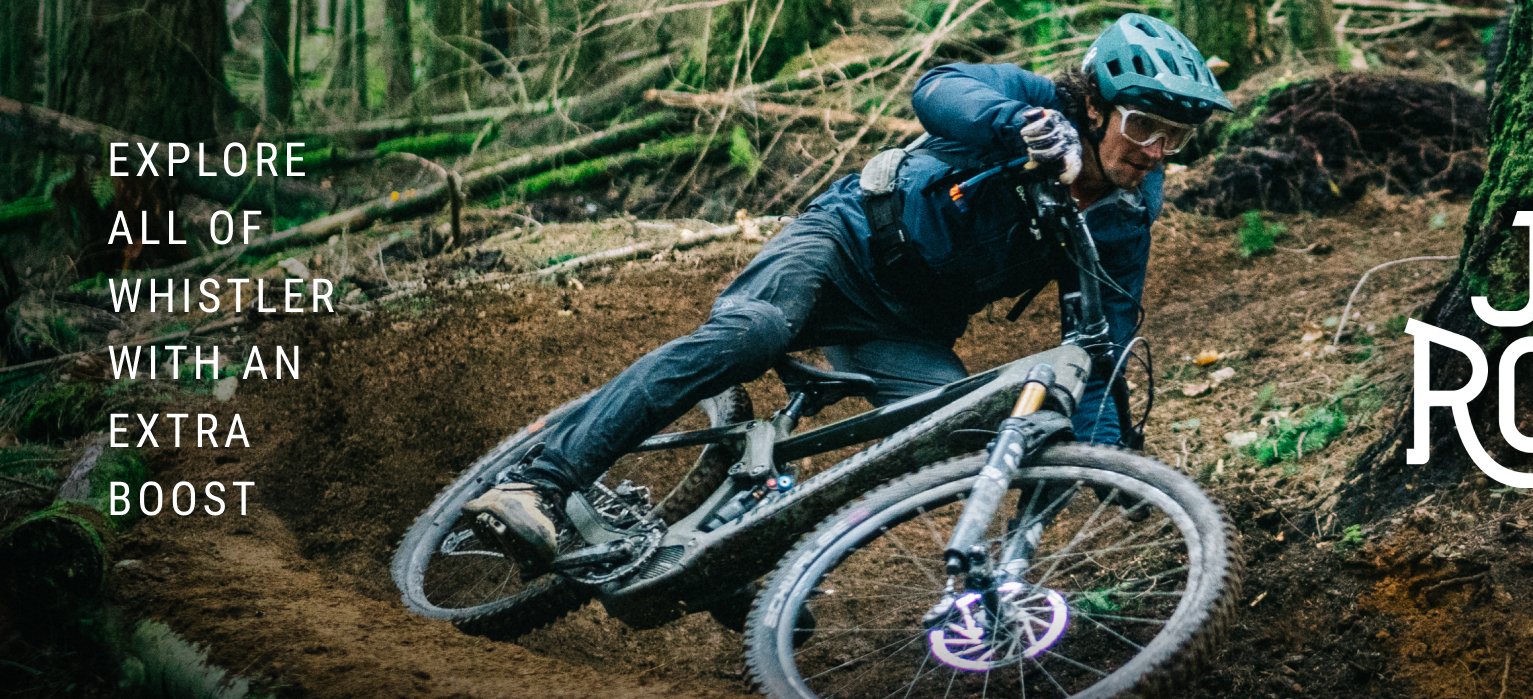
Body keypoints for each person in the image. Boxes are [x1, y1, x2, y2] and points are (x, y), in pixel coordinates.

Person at [462, 13, 1234, 561]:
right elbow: (938, 90)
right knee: (752, 334)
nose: (1157, 150)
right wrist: (1016, 127)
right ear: (1095, 102)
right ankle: (537, 483)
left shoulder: (1130, 210)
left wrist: (1108, 466)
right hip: (843, 244)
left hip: (910, 324)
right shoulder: (1030, 99)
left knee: (969, 437)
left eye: (1176, 137)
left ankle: (734, 559)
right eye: (1142, 125)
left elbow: (1101, 337)